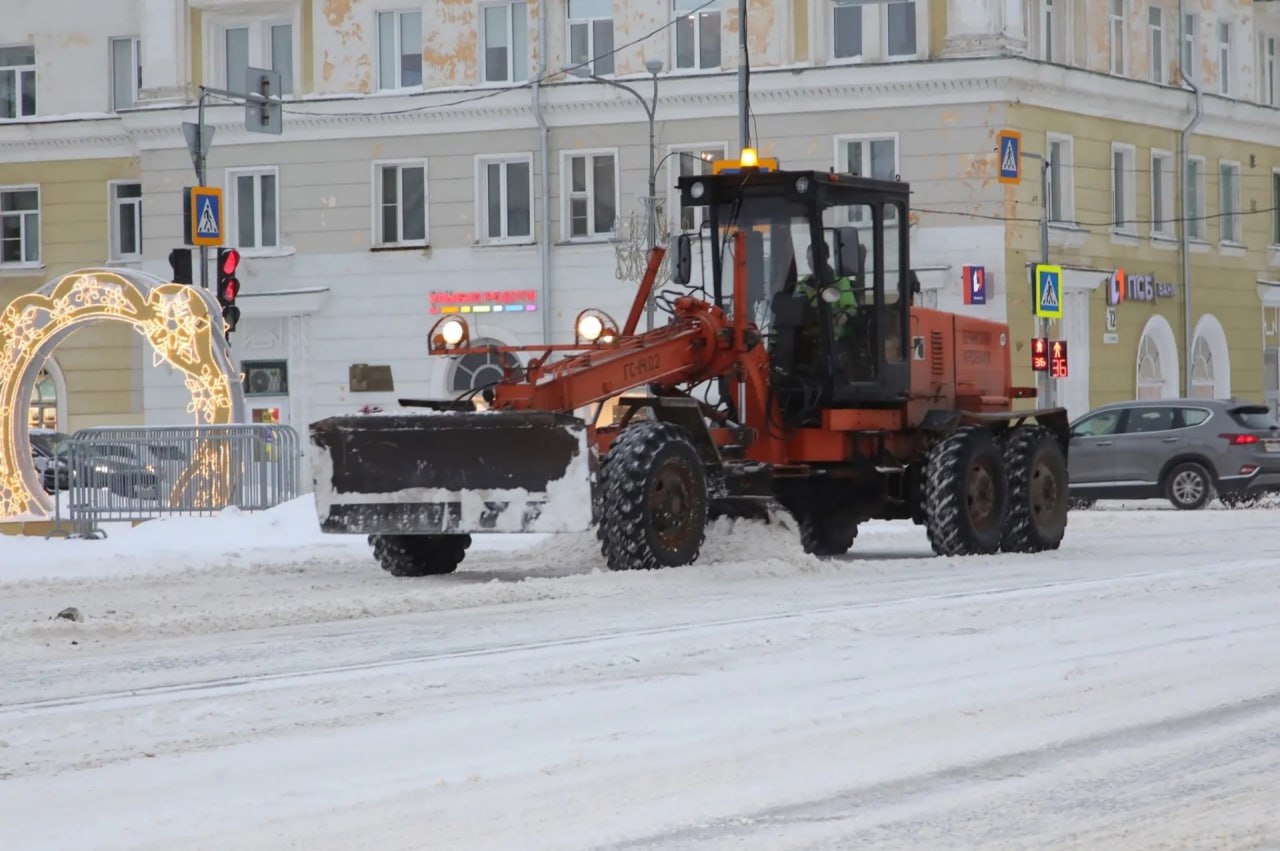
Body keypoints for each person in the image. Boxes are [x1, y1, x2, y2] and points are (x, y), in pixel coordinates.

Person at [793, 241, 859, 340]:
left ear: (826, 258)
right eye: (809, 260)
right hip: (811, 330)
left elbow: (851, 308)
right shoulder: (804, 283)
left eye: (814, 259)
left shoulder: (839, 280)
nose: (811, 264)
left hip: (835, 335)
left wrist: (844, 315)